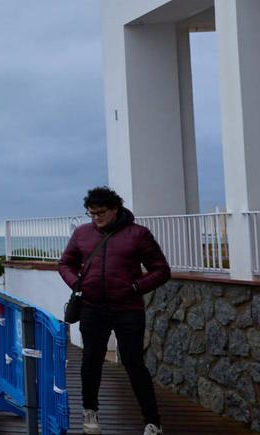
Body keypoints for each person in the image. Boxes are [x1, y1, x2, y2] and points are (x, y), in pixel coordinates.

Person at [58, 186, 171, 435]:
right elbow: (65, 263)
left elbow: (162, 270)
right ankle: (90, 411)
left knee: (134, 363)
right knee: (91, 360)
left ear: (115, 209)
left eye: (101, 212)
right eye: (91, 213)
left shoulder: (138, 234)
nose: (96, 218)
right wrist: (77, 284)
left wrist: (135, 287)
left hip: (127, 308)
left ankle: (153, 422)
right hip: (92, 307)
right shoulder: (82, 233)